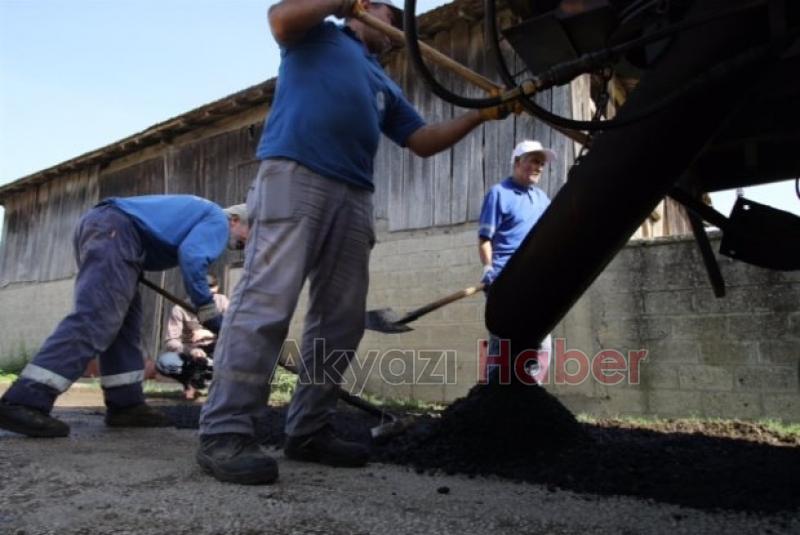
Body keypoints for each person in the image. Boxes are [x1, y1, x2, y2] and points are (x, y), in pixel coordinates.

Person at [197, 0, 516, 485]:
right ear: (364, 11)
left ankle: (308, 429)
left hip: (354, 196)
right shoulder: (319, 35)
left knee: (341, 322)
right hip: (295, 175)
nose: (395, 33)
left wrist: (482, 115)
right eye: (392, 19)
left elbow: (423, 139)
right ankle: (223, 432)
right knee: (266, 306)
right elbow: (279, 19)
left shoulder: (384, 82)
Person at [0, 196, 249, 438]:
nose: (245, 246)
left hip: (119, 237)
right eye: (248, 238)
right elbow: (193, 257)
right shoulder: (217, 218)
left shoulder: (203, 214)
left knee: (124, 327)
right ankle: (24, 401)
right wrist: (207, 309)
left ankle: (126, 404)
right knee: (97, 317)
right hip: (117, 231)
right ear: (235, 220)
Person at [478, 140, 556, 383]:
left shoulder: (543, 198)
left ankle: (531, 395)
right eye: (533, 160)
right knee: (503, 342)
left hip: (536, 280)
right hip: (506, 279)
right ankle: (491, 398)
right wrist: (488, 268)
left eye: (541, 163)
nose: (538, 167)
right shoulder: (499, 193)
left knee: (540, 342)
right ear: (517, 162)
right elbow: (484, 238)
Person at [157, 274, 230, 400]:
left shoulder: (223, 302)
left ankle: (220, 386)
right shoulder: (179, 309)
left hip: (219, 352)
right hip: (192, 355)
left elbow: (235, 329)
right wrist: (190, 350)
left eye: (210, 289)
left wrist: (209, 334)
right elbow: (171, 341)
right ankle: (190, 383)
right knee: (165, 362)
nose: (205, 294)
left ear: (217, 288)